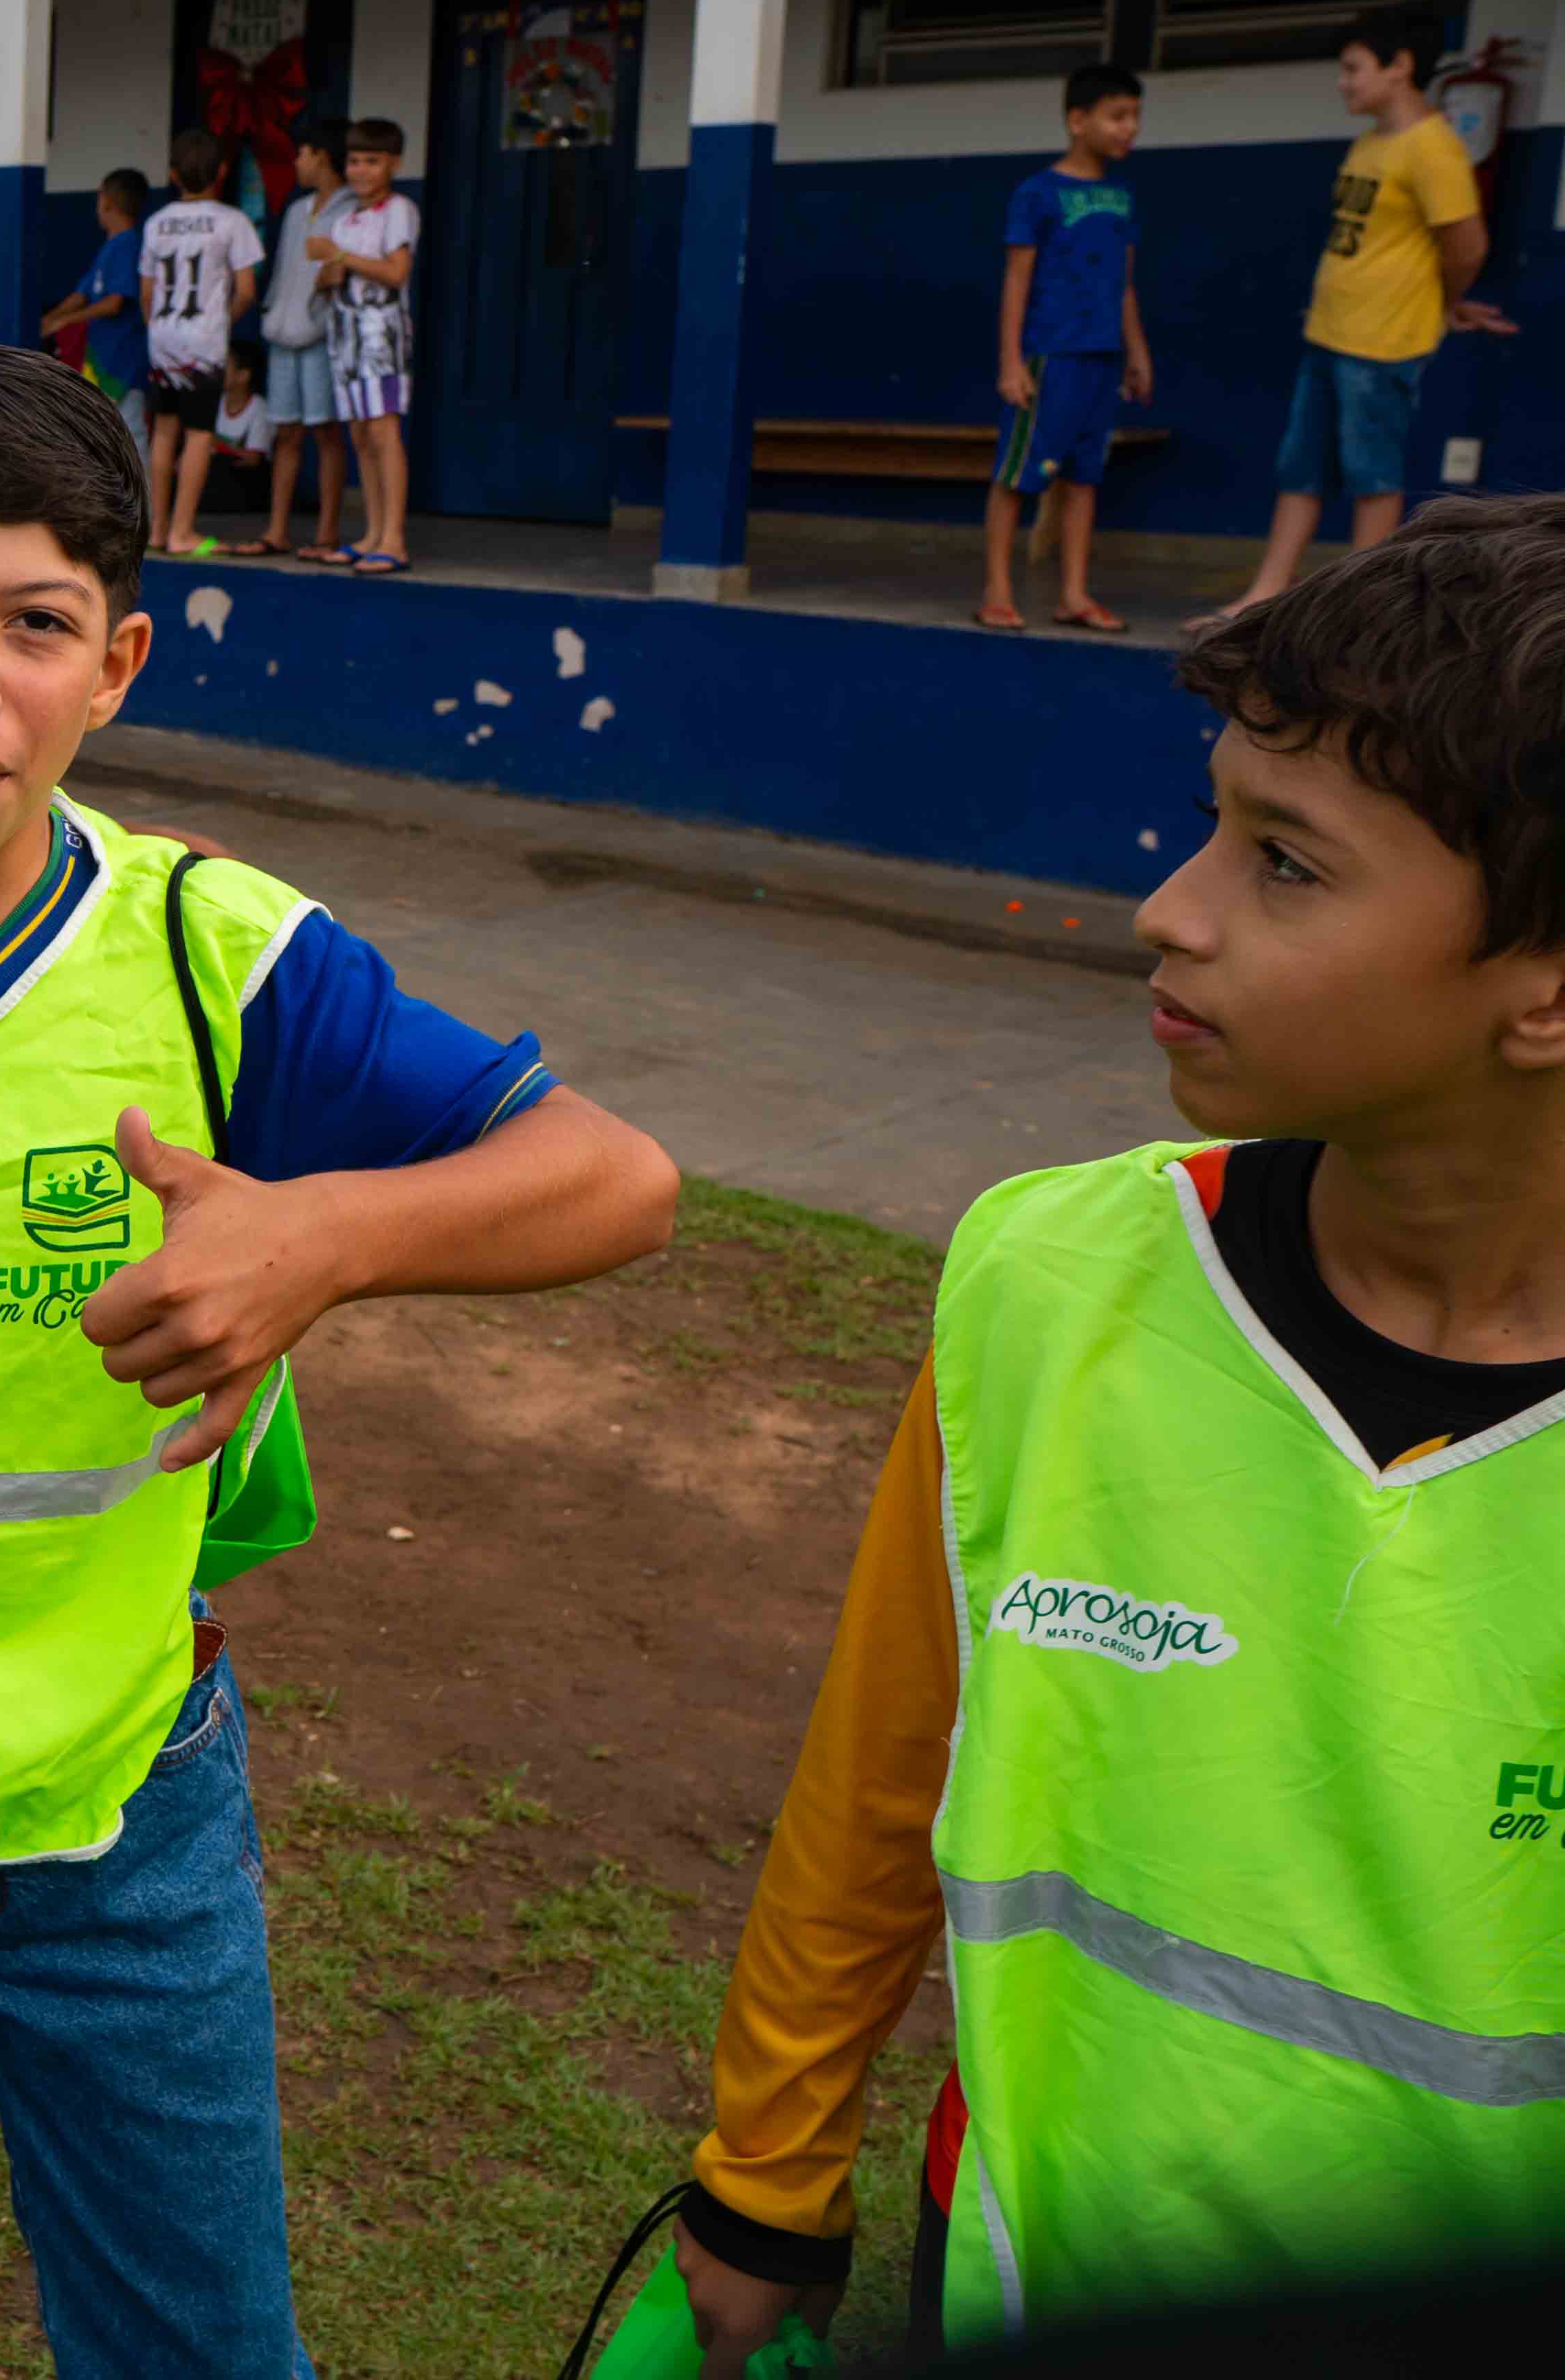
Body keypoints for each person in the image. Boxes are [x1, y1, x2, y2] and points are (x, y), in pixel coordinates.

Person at [0, 342, 677, 2377]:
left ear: (113, 665)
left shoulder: (217, 955)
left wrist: (327, 1232)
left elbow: (612, 1179)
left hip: (115, 1799)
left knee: (191, 2332)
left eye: (30, 626)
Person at [664, 498, 1565, 2372]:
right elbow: (879, 1780)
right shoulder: (1050, 1274)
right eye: (1216, 819)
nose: (1173, 904)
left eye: (1289, 867)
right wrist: (770, 2168)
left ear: (1544, 986)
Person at [1208, 3, 1521, 621]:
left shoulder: (1433, 148)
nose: (1343, 82)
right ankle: (1265, 593)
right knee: (1300, 470)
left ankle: (1360, 615)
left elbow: (1468, 245)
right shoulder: (1372, 141)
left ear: (1399, 66)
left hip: (1383, 345)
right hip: (1330, 335)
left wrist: (1444, 302)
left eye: (1353, 68)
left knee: (1371, 478)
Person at [979, 64, 1151, 635]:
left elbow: (1125, 283)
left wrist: (1137, 352)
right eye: (1117, 116)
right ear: (1078, 121)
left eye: (1135, 117)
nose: (1130, 128)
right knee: (1017, 475)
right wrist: (1010, 362)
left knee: (1084, 478)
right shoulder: (1037, 193)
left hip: (1103, 359)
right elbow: (1016, 281)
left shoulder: (1122, 196)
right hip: (1048, 358)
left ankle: (1074, 594)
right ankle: (998, 590)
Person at [136, 128, 267, 558]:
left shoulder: (157, 223)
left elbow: (147, 293)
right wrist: (222, 321)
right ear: (223, 172)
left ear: (173, 175)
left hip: (163, 338)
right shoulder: (233, 222)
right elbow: (247, 290)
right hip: (203, 343)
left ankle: (156, 530)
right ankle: (183, 532)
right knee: (198, 434)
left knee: (164, 431)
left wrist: (157, 329)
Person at [310, 118, 420, 573]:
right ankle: (372, 533)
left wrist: (337, 256)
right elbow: (329, 277)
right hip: (346, 336)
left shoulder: (398, 209)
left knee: (383, 430)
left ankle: (393, 539)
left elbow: (396, 272)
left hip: (381, 333)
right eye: (354, 161)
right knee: (360, 434)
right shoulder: (348, 218)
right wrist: (330, 265)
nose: (360, 171)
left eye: (372, 162)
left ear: (393, 164)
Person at [251, 119, 355, 558]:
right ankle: (277, 531)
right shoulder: (297, 211)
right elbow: (282, 274)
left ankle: (327, 534)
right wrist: (273, 314)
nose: (296, 162)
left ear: (322, 156)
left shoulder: (352, 211)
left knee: (326, 433)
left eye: (302, 153)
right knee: (286, 434)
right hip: (283, 334)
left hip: (323, 337)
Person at [38, 168, 155, 457]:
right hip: (100, 361)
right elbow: (80, 296)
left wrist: (63, 321)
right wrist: (47, 320)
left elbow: (114, 303)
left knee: (130, 435)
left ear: (106, 201)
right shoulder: (110, 248)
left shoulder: (129, 244)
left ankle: (144, 503)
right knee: (99, 435)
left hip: (125, 361)